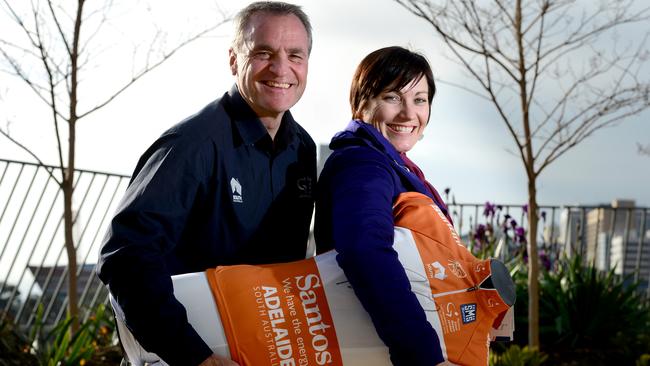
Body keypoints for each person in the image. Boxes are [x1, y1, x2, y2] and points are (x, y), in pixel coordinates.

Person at [97, 2, 316, 365]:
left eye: (295, 55)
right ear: (234, 60)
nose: (281, 68)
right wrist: (195, 356)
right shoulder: (192, 145)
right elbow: (126, 257)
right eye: (263, 53)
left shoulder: (303, 149)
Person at [314, 46, 455, 365]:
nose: (408, 114)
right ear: (360, 102)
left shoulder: (392, 163)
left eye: (419, 99)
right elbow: (365, 250)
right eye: (392, 97)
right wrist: (422, 354)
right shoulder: (365, 163)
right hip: (376, 347)